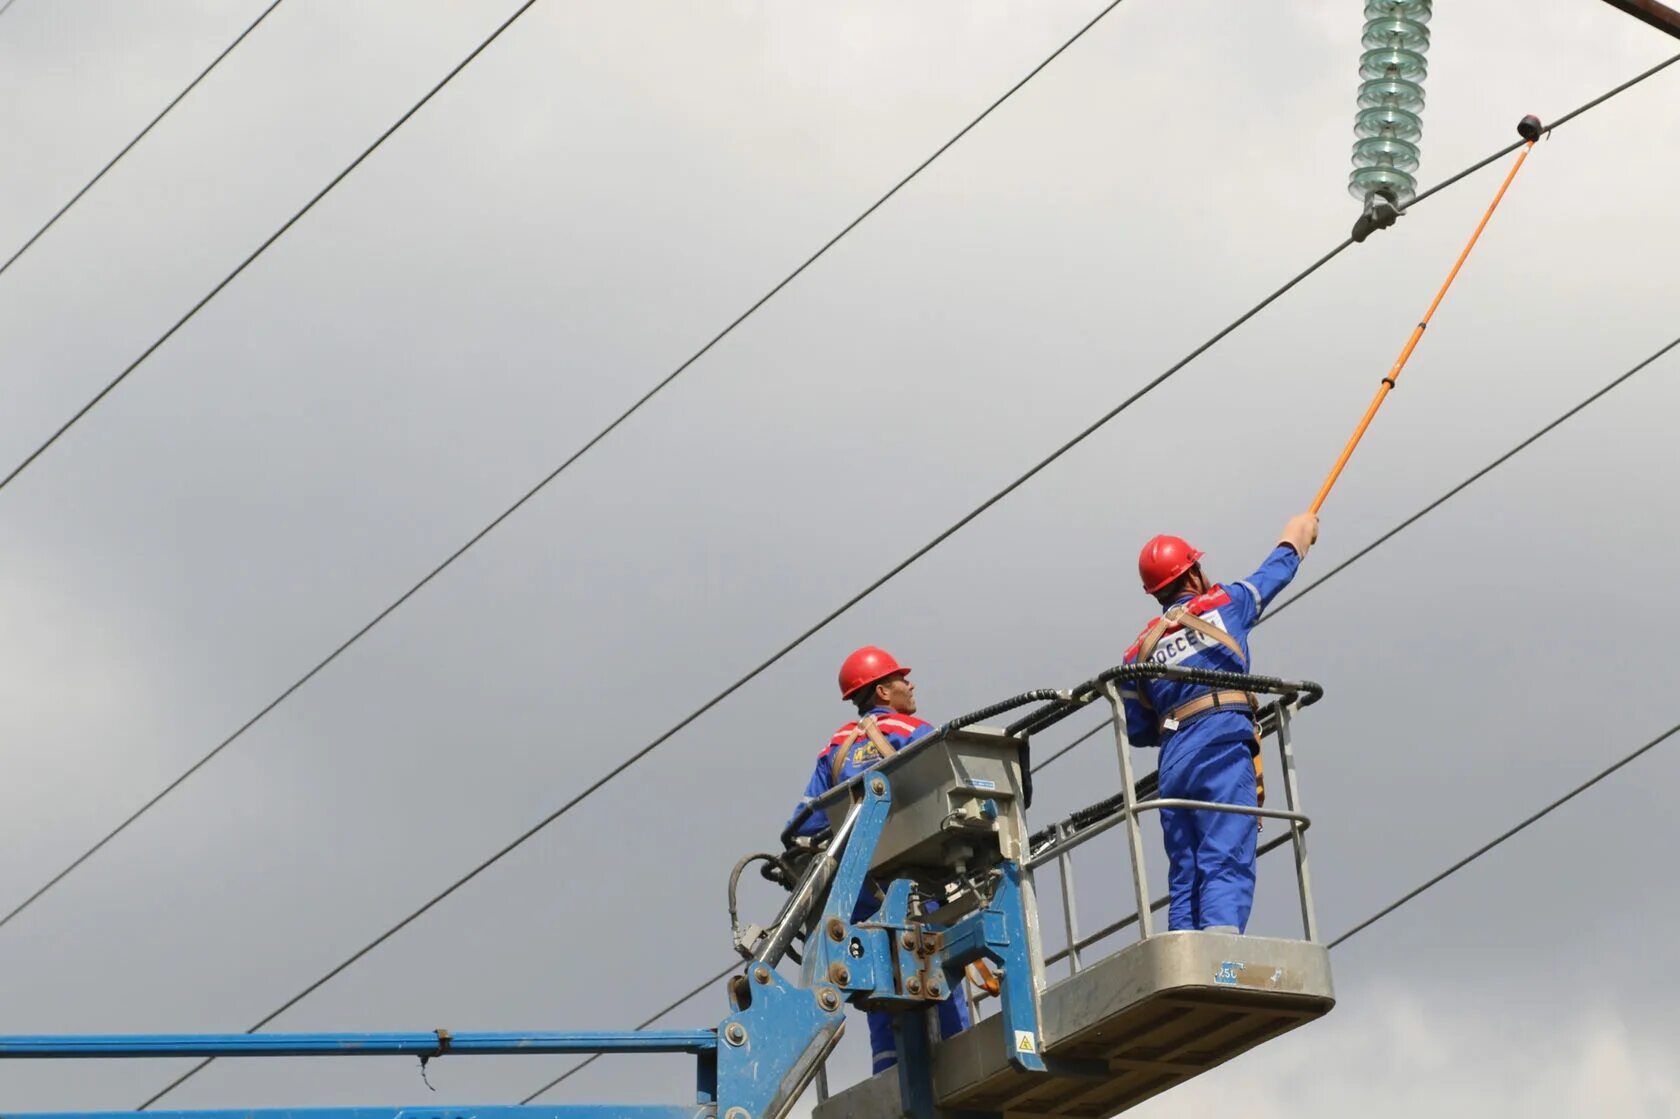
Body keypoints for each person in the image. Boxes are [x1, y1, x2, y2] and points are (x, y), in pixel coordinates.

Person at [1120, 514, 1318, 934]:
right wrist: (1299, 534)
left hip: (1174, 760)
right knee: (1225, 850)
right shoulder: (1226, 604)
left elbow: (1137, 730)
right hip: (1222, 743)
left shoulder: (1137, 652)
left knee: (1186, 869)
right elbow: (1275, 571)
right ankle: (1222, 958)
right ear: (1192, 571)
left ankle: (1185, 954)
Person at [786, 646, 970, 1074]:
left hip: (860, 884)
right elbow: (954, 796)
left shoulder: (835, 750)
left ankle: (889, 1074)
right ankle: (959, 1058)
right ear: (884, 691)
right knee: (937, 962)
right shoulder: (915, 731)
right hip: (916, 879)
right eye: (903, 679)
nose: (912, 685)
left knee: (878, 975)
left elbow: (802, 826)